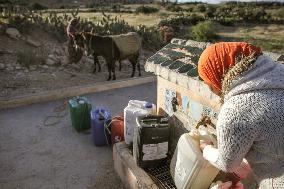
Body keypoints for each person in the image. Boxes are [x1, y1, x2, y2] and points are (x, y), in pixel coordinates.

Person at [198, 42, 284, 189]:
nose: (209, 87)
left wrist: (206, 149)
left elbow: (228, 164)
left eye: (207, 81)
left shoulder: (235, 111)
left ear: (217, 74)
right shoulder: (279, 73)